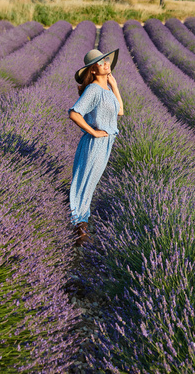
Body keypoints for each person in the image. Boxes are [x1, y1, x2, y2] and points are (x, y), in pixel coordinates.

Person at [68, 48, 124, 246]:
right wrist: (93, 132)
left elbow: (121, 111)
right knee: (84, 183)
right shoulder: (92, 90)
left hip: (105, 143)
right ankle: (79, 230)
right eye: (101, 63)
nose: (106, 64)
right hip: (94, 144)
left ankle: (80, 227)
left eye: (106, 61)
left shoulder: (106, 90)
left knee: (89, 185)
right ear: (93, 70)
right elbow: (74, 113)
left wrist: (114, 85)